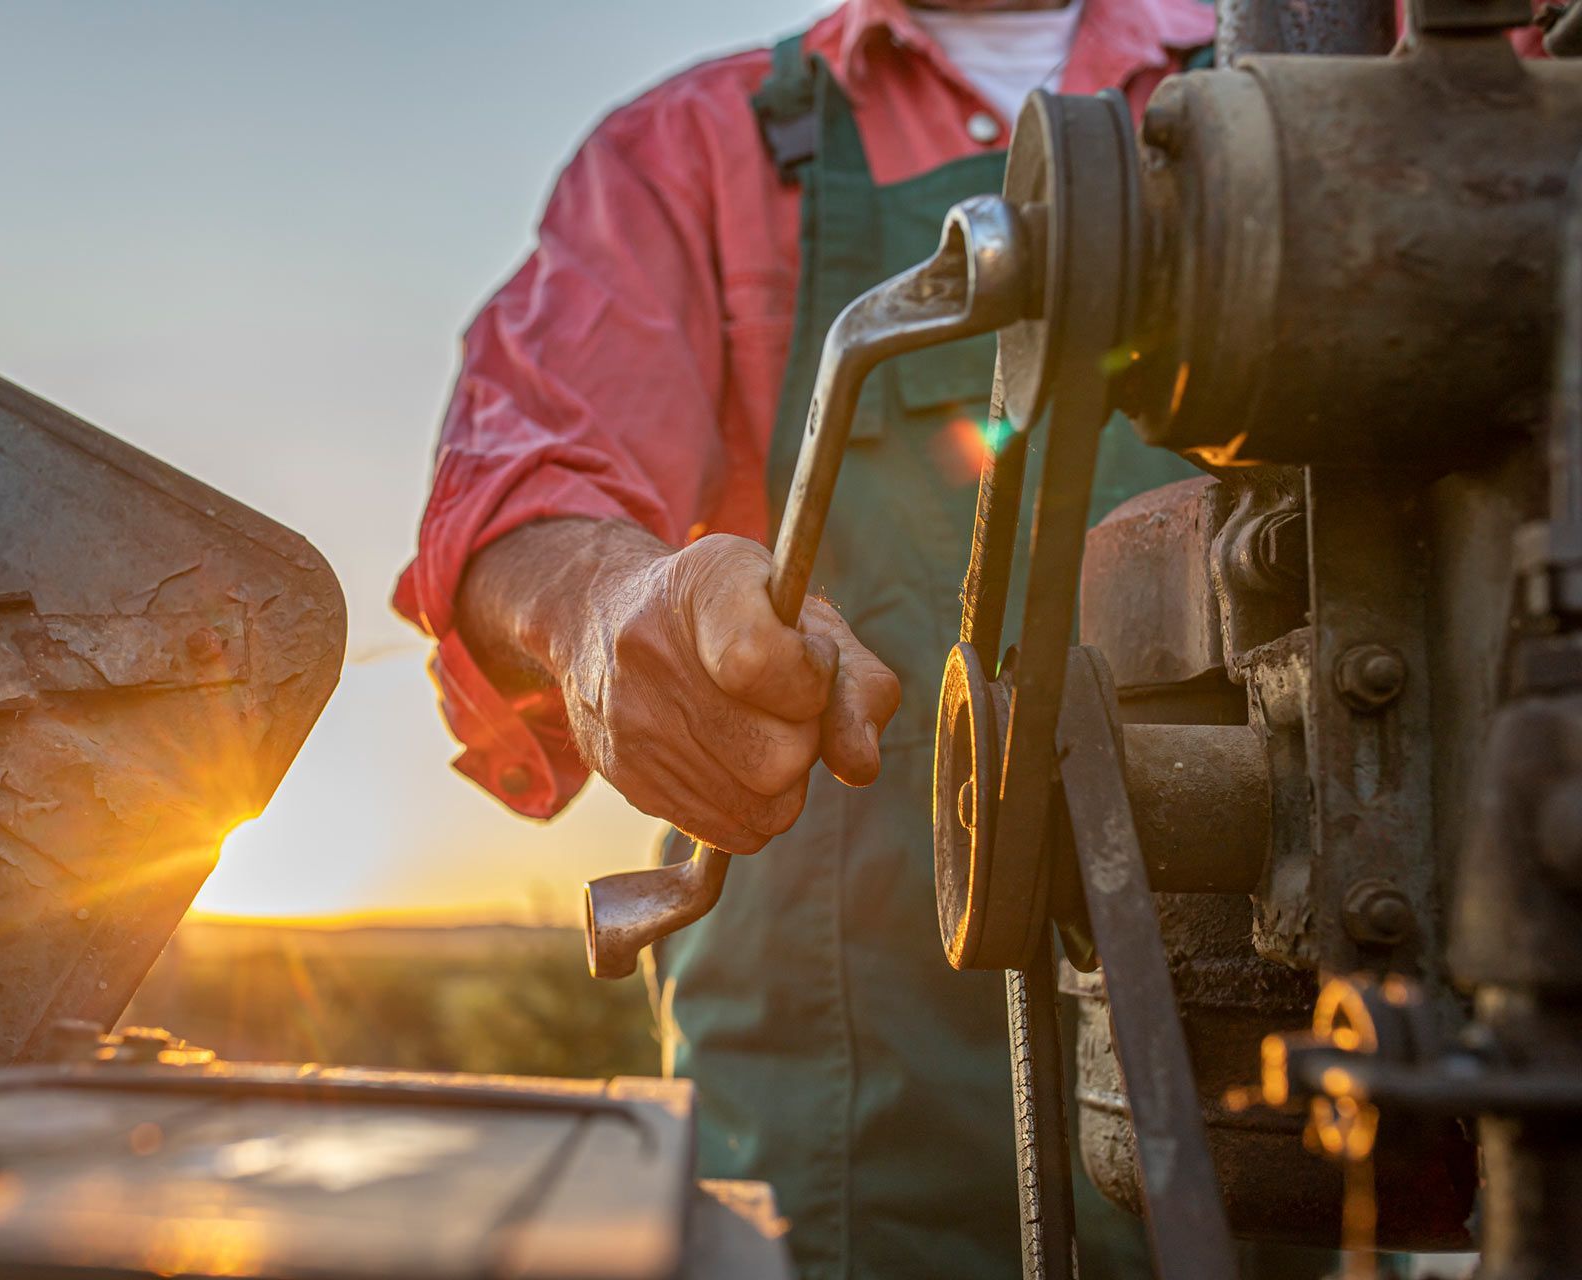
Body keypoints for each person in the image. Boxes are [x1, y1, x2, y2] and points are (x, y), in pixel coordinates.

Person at [393, 1, 1213, 1275]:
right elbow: (516, 492)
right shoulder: (694, 150)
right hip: (836, 1114)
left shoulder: (1328, 73)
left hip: (1280, 1071)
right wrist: (606, 610)